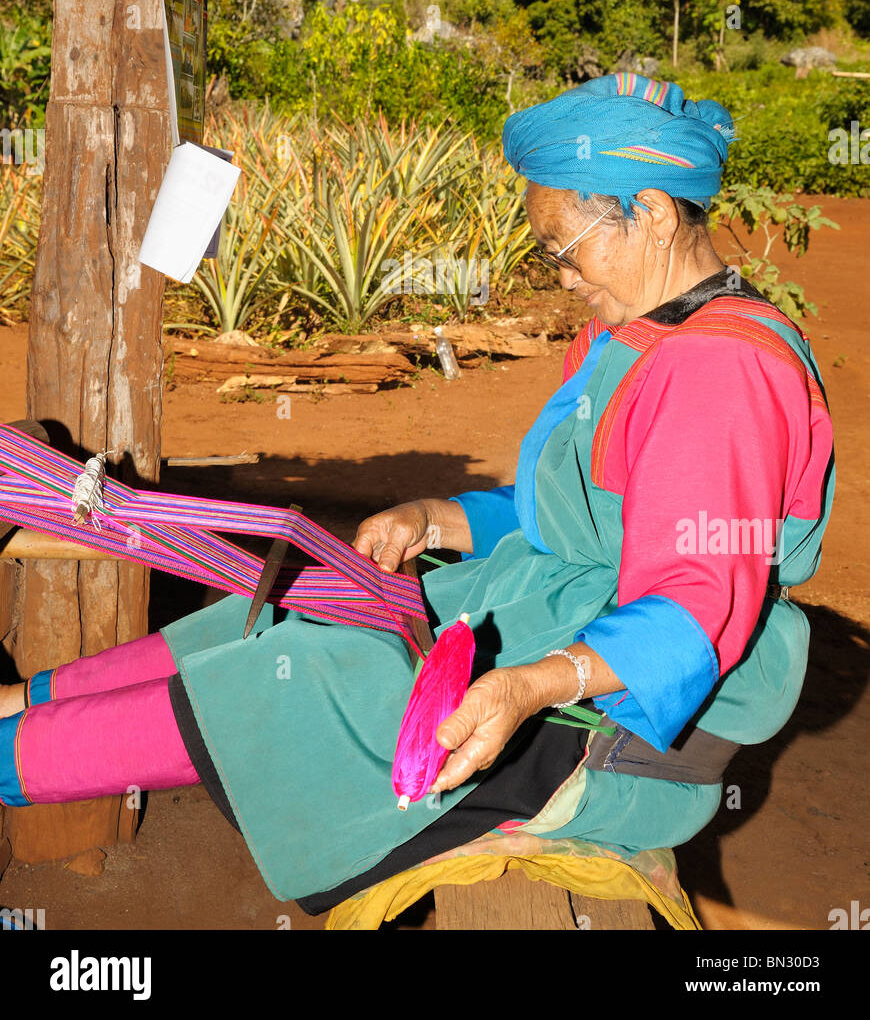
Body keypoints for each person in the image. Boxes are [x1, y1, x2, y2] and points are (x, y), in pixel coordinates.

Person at [0, 73, 834, 913]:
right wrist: (441, 518)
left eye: (561, 242)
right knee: (295, 608)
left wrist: (532, 684)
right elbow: (589, 518)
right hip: (552, 637)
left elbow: (694, 603)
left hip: (607, 734)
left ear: (649, 212)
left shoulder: (721, 371)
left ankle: (11, 761)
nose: (558, 271)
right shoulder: (642, 336)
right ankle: (22, 706)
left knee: (297, 685)